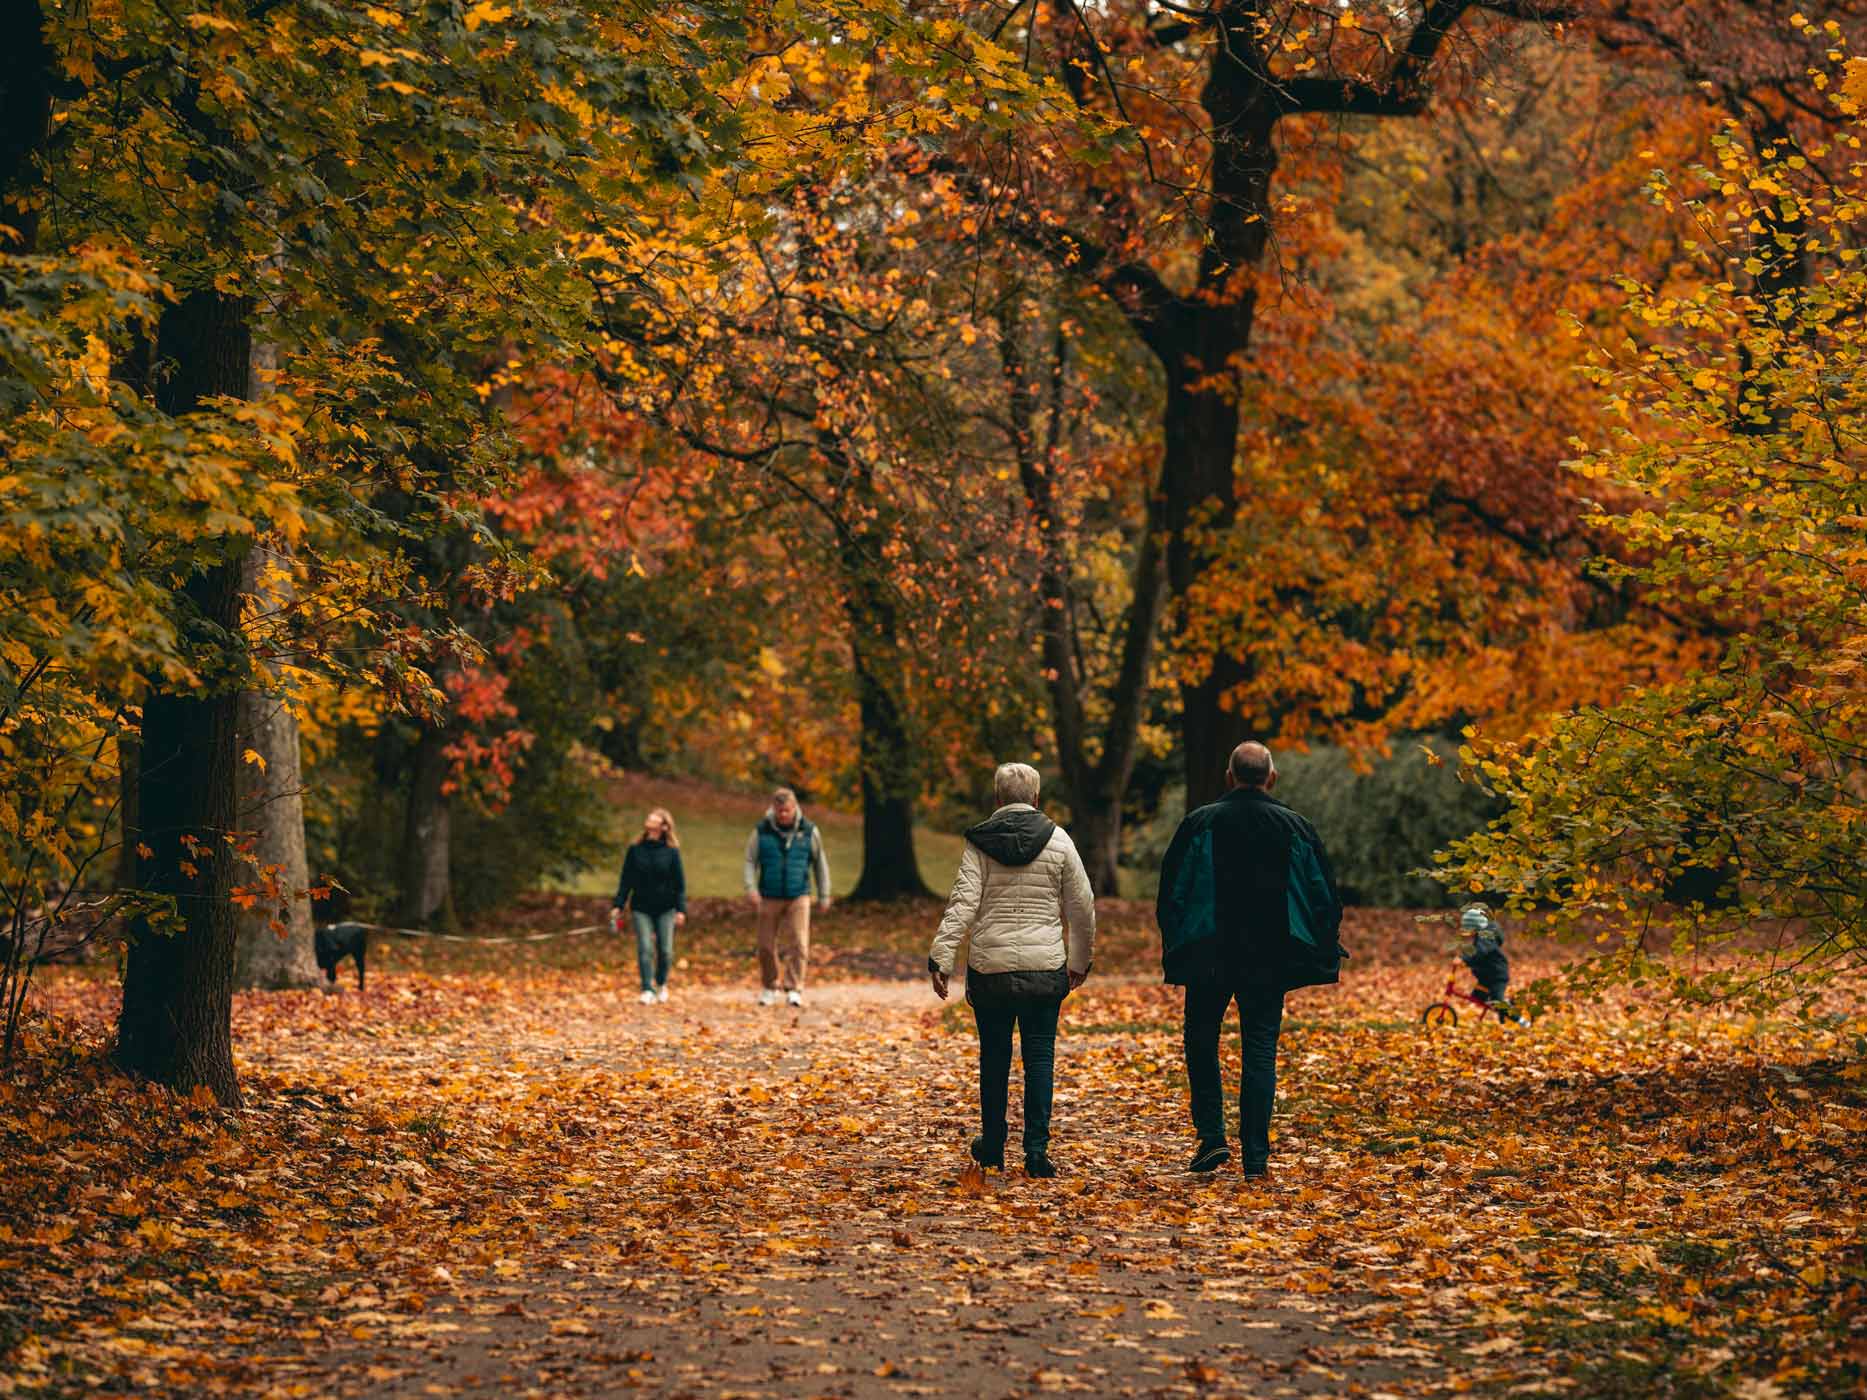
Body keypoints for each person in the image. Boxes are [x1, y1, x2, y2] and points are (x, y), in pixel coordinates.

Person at [1156, 741, 1346, 1178]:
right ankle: (1255, 1158)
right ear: (1271, 777)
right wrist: (1320, 944)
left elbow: (1171, 892)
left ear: (1229, 776)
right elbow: (1325, 897)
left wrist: (1175, 940)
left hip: (1208, 953)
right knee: (1259, 1050)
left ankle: (1211, 1137)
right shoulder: (1296, 827)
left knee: (1201, 1041)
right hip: (1271, 957)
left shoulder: (1200, 823)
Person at [927, 762, 1095, 1179]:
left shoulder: (980, 843)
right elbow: (1082, 906)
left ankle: (993, 1147)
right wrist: (1078, 961)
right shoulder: (1060, 841)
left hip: (992, 969)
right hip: (1044, 968)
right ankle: (1036, 1151)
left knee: (995, 1057)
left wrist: (941, 957)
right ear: (1036, 799)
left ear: (998, 799)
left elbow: (963, 904)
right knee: (1040, 1059)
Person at [743, 787, 830, 1008]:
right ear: (773, 809)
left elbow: (820, 863)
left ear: (794, 808)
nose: (783, 815)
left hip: (798, 894)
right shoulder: (761, 831)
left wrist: (824, 894)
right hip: (769, 895)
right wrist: (750, 888)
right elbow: (750, 860)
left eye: (787, 811)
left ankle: (794, 988)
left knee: (800, 943)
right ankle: (769, 986)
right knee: (765, 945)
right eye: (779, 810)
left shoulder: (809, 831)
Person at [610, 807, 687, 1006]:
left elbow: (679, 883)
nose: (649, 818)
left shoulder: (671, 852)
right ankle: (647, 988)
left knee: (666, 950)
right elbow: (626, 880)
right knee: (645, 947)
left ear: (664, 826)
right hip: (641, 907)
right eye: (650, 816)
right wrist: (618, 904)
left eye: (655, 817)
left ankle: (661, 983)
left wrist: (680, 909)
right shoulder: (635, 850)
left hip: (666, 908)